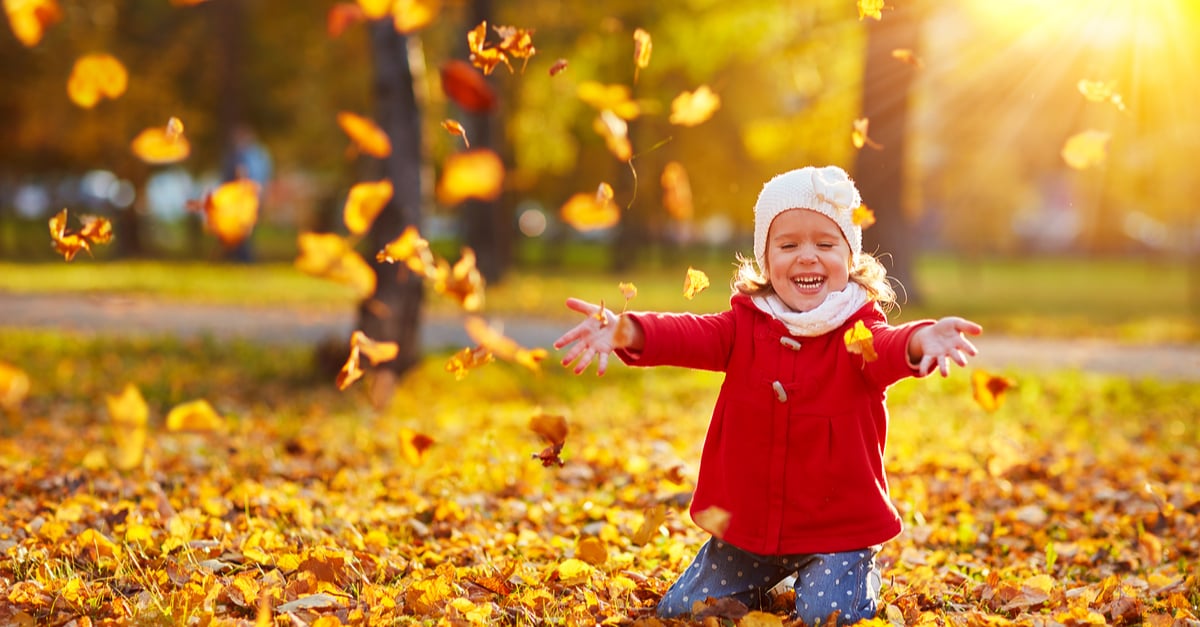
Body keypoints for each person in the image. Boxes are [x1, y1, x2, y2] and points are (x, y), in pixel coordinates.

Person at [553, 165, 982, 624]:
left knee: (828, 615)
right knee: (684, 609)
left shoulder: (856, 331)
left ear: (850, 255)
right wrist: (629, 330)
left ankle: (856, 569)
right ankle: (764, 578)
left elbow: (889, 346)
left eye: (825, 244)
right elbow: (687, 333)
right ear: (765, 256)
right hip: (752, 531)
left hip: (836, 531)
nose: (807, 257)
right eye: (788, 245)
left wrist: (920, 340)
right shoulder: (744, 325)